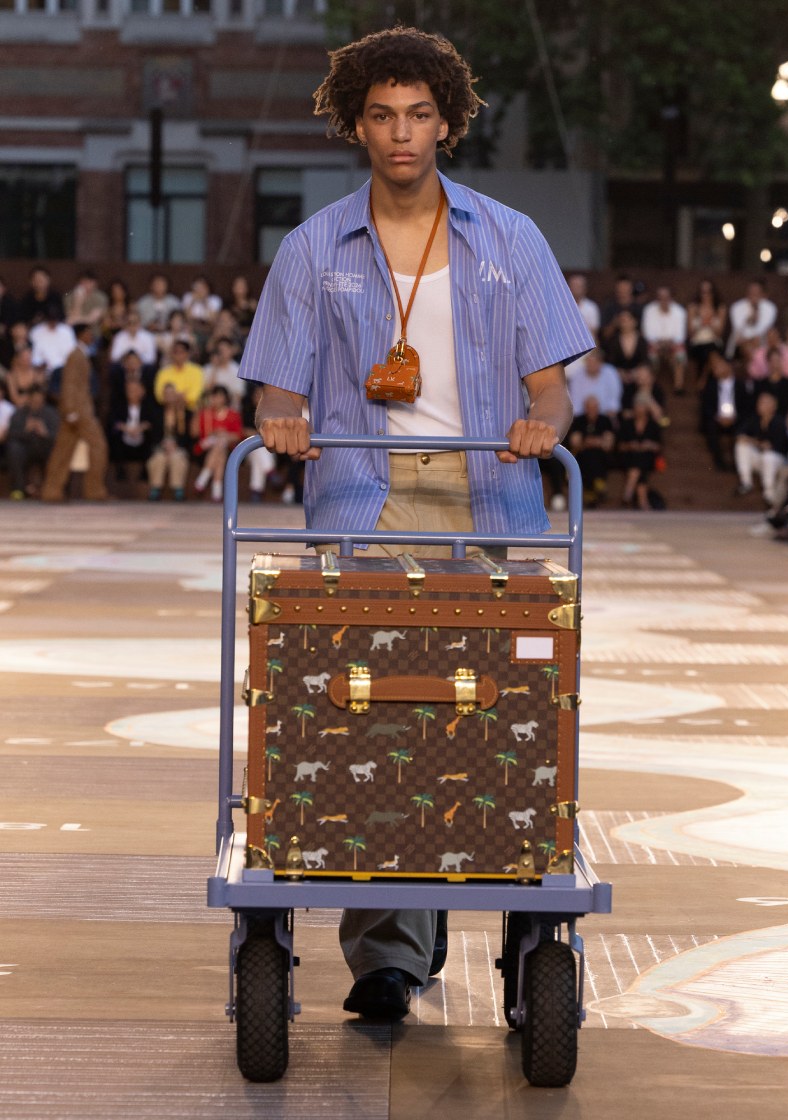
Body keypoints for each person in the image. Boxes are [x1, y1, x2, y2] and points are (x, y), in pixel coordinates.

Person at [238, 26, 593, 1022]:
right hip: (365, 495)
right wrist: (281, 418)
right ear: (356, 125)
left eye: (420, 115)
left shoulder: (510, 238)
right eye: (383, 115)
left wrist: (542, 425)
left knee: (481, 706)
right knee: (378, 709)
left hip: (488, 494)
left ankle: (488, 900)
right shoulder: (313, 248)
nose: (401, 133)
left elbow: (551, 387)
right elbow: (276, 386)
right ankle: (389, 957)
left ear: (448, 124)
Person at [41, 323, 109, 502]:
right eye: (88, 332)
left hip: (75, 410)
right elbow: (69, 383)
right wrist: (71, 410)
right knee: (98, 446)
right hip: (79, 411)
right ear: (81, 335)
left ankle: (52, 490)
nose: (91, 336)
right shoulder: (76, 355)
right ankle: (94, 490)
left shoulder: (81, 354)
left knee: (63, 450)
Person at [700, 350, 753, 472]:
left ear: (728, 366)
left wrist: (734, 418)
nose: (715, 369)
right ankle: (719, 463)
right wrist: (718, 417)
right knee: (711, 427)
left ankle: (737, 463)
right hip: (717, 420)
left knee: (742, 428)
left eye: (719, 366)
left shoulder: (741, 385)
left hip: (737, 420)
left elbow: (746, 407)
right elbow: (706, 407)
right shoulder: (711, 386)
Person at [734, 391, 788, 504]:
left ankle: (769, 494)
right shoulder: (755, 419)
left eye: (764, 403)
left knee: (768, 456)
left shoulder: (779, 421)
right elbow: (739, 435)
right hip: (760, 458)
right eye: (759, 402)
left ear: (773, 406)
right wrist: (756, 442)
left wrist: (753, 441)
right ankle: (746, 482)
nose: (760, 405)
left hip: (777, 461)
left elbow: (773, 446)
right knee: (741, 446)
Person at [5, 384, 59, 500]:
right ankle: (18, 489)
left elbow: (57, 436)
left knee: (56, 451)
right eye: (33, 399)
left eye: (39, 399)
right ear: (29, 399)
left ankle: (51, 489)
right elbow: (11, 435)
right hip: (26, 448)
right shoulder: (19, 413)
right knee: (14, 449)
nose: (36, 402)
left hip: (45, 447)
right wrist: (26, 430)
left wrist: (45, 432)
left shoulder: (51, 413)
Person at [191, 384, 243, 502]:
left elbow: (238, 435)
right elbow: (194, 433)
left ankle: (202, 482)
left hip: (226, 448)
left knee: (220, 448)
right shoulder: (205, 413)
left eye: (220, 396)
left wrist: (225, 434)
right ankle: (216, 492)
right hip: (204, 449)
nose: (217, 399)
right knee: (219, 449)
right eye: (215, 396)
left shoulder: (233, 414)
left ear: (226, 398)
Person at [146, 382, 194, 502]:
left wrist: (175, 444)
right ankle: (155, 489)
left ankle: (178, 490)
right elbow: (152, 434)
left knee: (176, 458)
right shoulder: (156, 413)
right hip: (160, 446)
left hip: (178, 447)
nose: (169, 397)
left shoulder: (184, 413)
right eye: (166, 394)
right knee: (159, 458)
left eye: (172, 394)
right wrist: (164, 444)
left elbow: (188, 436)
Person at [640, 284, 688, 394]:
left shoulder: (679, 311)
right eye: (660, 297)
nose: (663, 300)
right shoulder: (649, 310)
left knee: (680, 354)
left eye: (666, 297)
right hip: (655, 344)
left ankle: (678, 387)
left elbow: (680, 336)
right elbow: (647, 333)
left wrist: (668, 344)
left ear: (671, 298)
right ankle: (650, 386)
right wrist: (659, 344)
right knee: (651, 355)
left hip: (673, 344)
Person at [687, 279, 727, 385]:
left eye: (709, 292)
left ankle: (702, 381)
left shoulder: (720, 308)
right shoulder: (693, 308)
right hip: (697, 343)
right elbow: (690, 333)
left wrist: (710, 322)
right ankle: (704, 382)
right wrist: (701, 322)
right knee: (707, 353)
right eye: (703, 292)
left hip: (714, 342)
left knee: (711, 352)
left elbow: (719, 333)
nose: (706, 295)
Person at [726, 280, 777, 359]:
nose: (754, 295)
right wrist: (748, 320)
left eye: (757, 293)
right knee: (748, 348)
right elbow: (738, 330)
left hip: (762, 343)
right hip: (740, 344)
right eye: (751, 292)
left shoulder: (770, 307)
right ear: (747, 293)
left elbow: (765, 330)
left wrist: (756, 314)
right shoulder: (736, 307)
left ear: (762, 294)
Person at [153, 338, 205, 412]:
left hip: (189, 410)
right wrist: (180, 396)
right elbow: (159, 395)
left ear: (187, 354)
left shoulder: (197, 371)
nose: (178, 355)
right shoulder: (163, 372)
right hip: (167, 410)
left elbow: (195, 395)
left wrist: (174, 396)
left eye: (181, 352)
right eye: (175, 352)